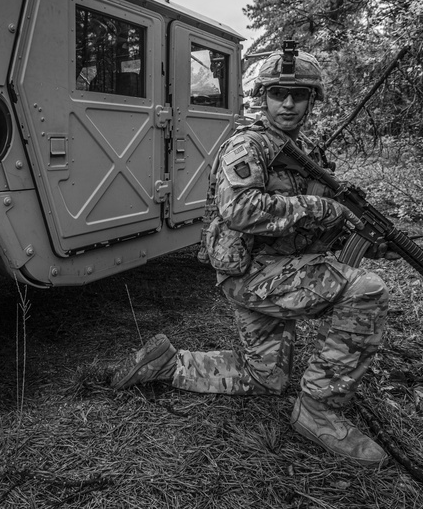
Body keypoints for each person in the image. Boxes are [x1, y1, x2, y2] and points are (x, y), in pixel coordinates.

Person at [111, 50, 391, 467]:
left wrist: (360, 235)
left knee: (266, 379)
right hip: (253, 274)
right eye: (279, 93)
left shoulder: (305, 150)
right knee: (366, 290)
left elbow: (312, 220)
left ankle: (170, 364)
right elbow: (240, 208)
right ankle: (318, 412)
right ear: (265, 96)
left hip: (280, 269)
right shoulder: (248, 144)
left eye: (298, 95)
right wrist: (322, 210)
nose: (288, 104)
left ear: (312, 99)